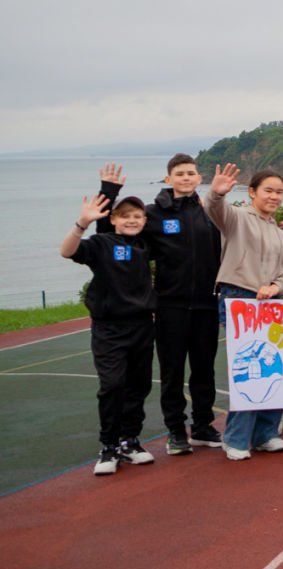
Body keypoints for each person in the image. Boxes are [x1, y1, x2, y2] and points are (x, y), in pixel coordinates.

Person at [95, 156, 222, 454]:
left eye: (191, 173)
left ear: (199, 178)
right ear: (168, 179)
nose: (186, 178)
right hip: (170, 307)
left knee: (204, 369)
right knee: (172, 371)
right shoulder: (153, 214)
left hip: (206, 305)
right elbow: (110, 236)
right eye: (180, 174)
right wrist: (108, 192)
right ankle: (176, 431)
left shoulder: (209, 212)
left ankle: (203, 426)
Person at [62, 192, 157, 475]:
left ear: (145, 221)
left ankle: (130, 440)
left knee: (139, 386)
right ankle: (109, 445)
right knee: (112, 385)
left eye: (137, 216)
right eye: (125, 216)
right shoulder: (101, 243)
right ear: (113, 219)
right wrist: (82, 223)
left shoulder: (145, 244)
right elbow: (67, 251)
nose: (132, 220)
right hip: (109, 328)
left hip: (142, 325)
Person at [205, 164, 283, 459]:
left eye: (279, 192)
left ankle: (265, 434)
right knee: (247, 369)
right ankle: (236, 439)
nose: (274, 197)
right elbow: (214, 209)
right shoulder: (238, 218)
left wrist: (275, 286)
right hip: (239, 298)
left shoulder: (280, 233)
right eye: (268, 190)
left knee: (274, 365)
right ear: (253, 192)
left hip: (272, 303)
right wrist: (216, 193)